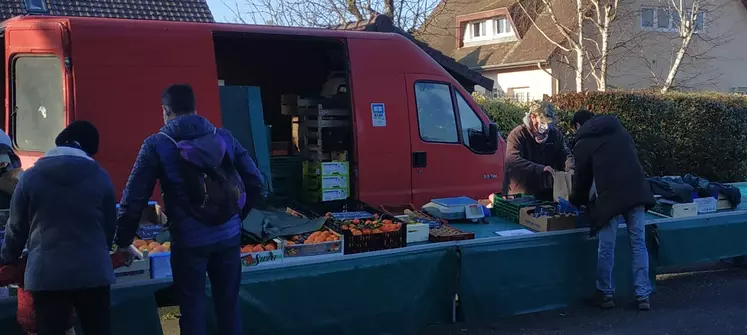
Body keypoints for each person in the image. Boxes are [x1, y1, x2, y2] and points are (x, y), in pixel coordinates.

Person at [116, 84, 263, 335]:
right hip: (228, 236)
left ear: (165, 110)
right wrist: (238, 215)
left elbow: (134, 198)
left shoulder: (157, 144)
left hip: (189, 241)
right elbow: (256, 181)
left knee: (190, 306)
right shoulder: (223, 136)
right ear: (195, 108)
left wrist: (123, 240)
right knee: (228, 304)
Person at [0, 121, 117, 334]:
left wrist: (7, 258)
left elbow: (16, 228)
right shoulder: (100, 177)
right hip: (93, 272)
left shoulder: (30, 178)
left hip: (47, 275)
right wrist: (103, 250)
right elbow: (109, 225)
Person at [568, 110, 656, 311]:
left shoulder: (583, 142)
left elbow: (582, 179)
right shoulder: (619, 129)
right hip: (637, 191)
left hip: (611, 198)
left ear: (577, 125)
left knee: (607, 246)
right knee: (638, 244)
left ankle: (605, 293)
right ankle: (643, 295)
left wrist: (575, 201)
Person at [502, 101, 574, 201]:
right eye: (543, 123)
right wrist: (541, 169)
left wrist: (570, 169)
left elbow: (564, 153)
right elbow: (512, 159)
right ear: (533, 117)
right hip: (520, 193)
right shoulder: (518, 134)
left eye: (549, 123)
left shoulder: (555, 134)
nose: (546, 127)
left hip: (545, 191)